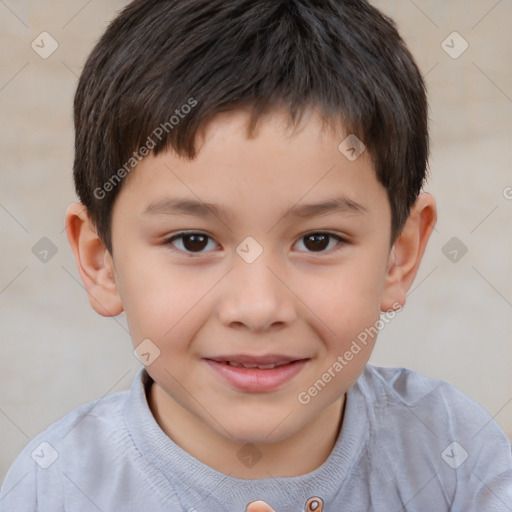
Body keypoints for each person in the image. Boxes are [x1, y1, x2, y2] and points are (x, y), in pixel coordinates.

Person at [1, 0, 511, 510]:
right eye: (193, 241)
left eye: (318, 240)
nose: (258, 308)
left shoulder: (454, 454)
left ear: (398, 257)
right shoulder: (55, 486)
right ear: (100, 261)